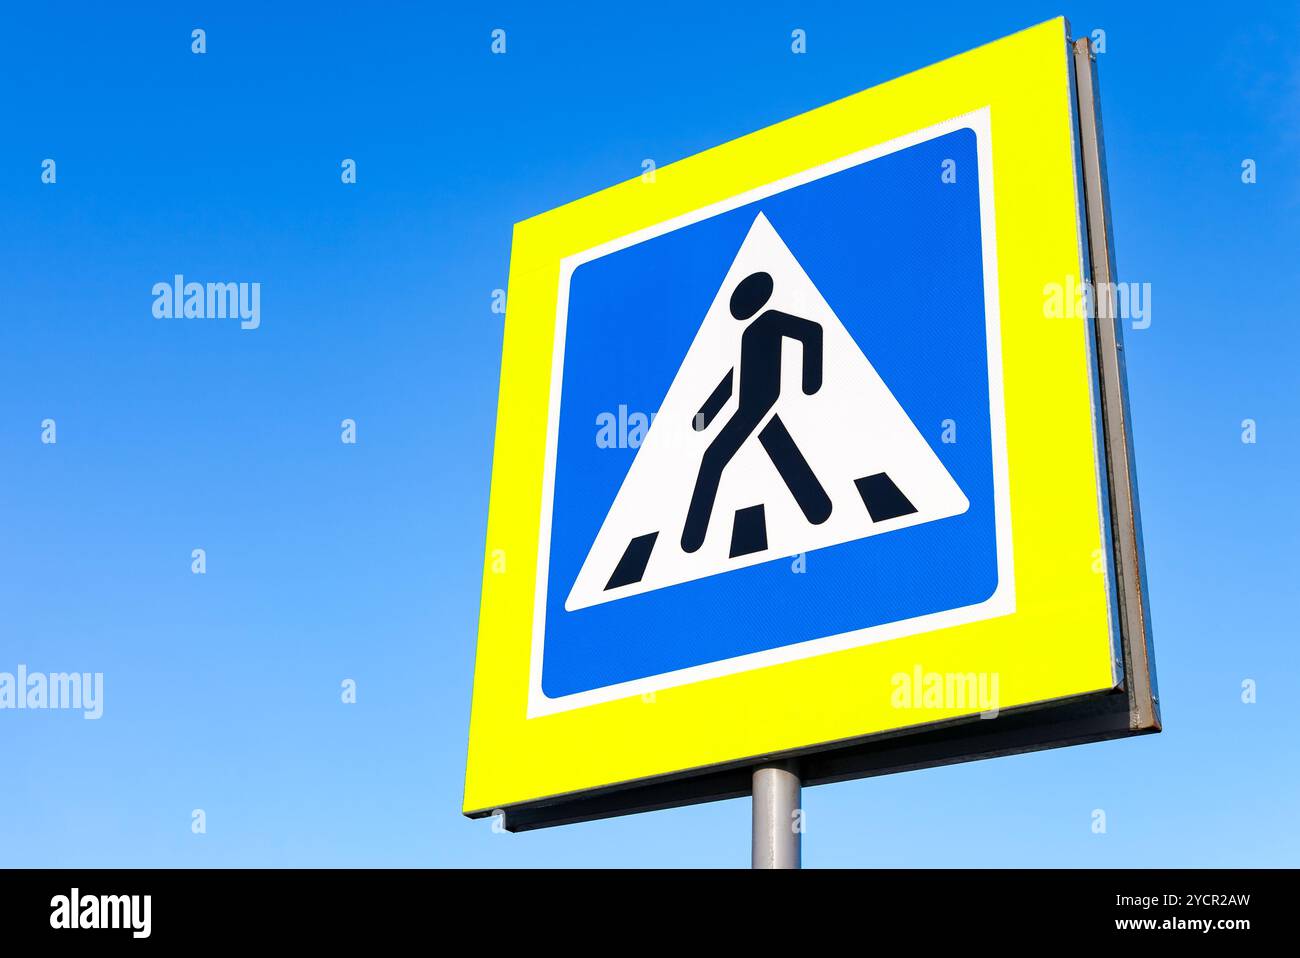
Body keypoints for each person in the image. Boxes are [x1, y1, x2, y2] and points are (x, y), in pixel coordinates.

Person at [681, 270, 833, 553]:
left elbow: (811, 332)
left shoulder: (772, 319)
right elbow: (733, 379)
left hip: (760, 403)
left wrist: (810, 382)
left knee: (712, 458)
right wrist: (704, 416)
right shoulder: (748, 334)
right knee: (782, 451)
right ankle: (819, 508)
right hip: (750, 405)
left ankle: (691, 541)